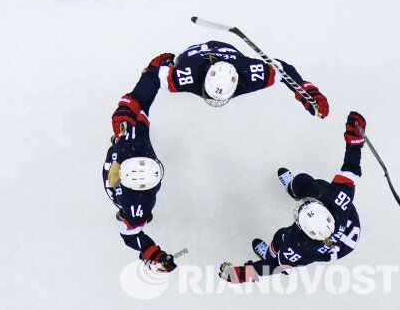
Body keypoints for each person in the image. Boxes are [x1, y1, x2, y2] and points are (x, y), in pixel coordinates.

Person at [219, 111, 366, 283]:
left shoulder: (299, 247)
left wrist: (239, 275)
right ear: (323, 207)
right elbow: (351, 168)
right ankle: (294, 188)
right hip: (346, 225)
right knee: (309, 184)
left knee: (281, 237)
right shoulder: (337, 200)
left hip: (333, 247)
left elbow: (275, 266)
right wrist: (355, 138)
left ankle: (270, 253)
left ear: (303, 229)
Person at [103, 54, 178, 272]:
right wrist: (154, 255)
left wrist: (153, 72)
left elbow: (139, 99)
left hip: (119, 157)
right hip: (120, 163)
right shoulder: (138, 206)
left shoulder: (130, 135)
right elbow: (130, 234)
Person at [156, 40, 329, 117]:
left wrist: (307, 94)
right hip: (193, 53)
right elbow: (284, 69)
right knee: (177, 63)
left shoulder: (250, 73)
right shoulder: (186, 73)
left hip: (228, 52)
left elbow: (284, 69)